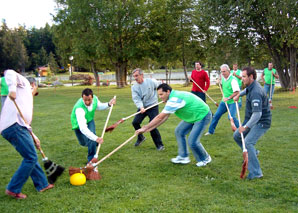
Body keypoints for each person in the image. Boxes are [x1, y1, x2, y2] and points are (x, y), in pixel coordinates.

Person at [0, 69, 53, 199]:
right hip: (14, 125)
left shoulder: (26, 97)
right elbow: (9, 72)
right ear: (33, 85)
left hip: (18, 127)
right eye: (36, 91)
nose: (34, 94)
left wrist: (34, 137)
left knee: (31, 155)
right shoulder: (23, 82)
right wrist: (12, 89)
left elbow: (25, 122)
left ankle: (42, 184)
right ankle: (13, 189)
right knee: (31, 158)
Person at [136, 83, 212, 167]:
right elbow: (165, 117)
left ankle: (205, 158)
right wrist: (149, 129)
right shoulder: (172, 97)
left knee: (192, 141)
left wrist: (145, 127)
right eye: (159, 95)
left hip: (202, 115)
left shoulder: (174, 100)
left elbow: (159, 117)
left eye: (161, 94)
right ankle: (183, 157)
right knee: (179, 132)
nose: (160, 97)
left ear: (168, 92)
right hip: (192, 116)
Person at [233, 67, 271, 180]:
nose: (242, 78)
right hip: (252, 119)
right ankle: (252, 153)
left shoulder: (256, 92)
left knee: (248, 142)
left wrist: (245, 127)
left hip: (261, 122)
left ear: (251, 77)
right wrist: (239, 94)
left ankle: (256, 173)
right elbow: (246, 90)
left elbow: (257, 114)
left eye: (244, 77)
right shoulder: (250, 87)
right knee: (237, 136)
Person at [70, 88, 116, 162]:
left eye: (89, 100)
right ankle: (94, 143)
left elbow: (99, 106)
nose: (87, 102)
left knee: (91, 137)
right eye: (85, 100)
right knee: (84, 143)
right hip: (78, 125)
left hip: (89, 120)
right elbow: (83, 128)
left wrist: (108, 104)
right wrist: (96, 139)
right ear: (82, 98)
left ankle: (91, 160)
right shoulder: (79, 109)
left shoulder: (95, 99)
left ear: (92, 97)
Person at [131, 68, 164, 150]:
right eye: (134, 76)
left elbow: (160, 86)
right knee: (135, 122)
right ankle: (141, 137)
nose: (135, 78)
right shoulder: (134, 87)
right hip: (143, 107)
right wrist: (141, 107)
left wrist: (165, 94)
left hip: (153, 106)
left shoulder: (150, 81)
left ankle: (159, 145)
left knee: (152, 124)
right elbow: (136, 99)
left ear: (142, 75)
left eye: (136, 75)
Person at [205, 64, 240, 135]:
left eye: (224, 71)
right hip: (224, 102)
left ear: (229, 70)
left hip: (233, 102)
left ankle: (241, 131)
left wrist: (228, 98)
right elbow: (220, 83)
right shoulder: (223, 78)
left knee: (231, 117)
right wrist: (218, 82)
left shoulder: (233, 80)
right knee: (216, 115)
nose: (223, 73)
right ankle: (210, 131)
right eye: (222, 72)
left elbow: (237, 92)